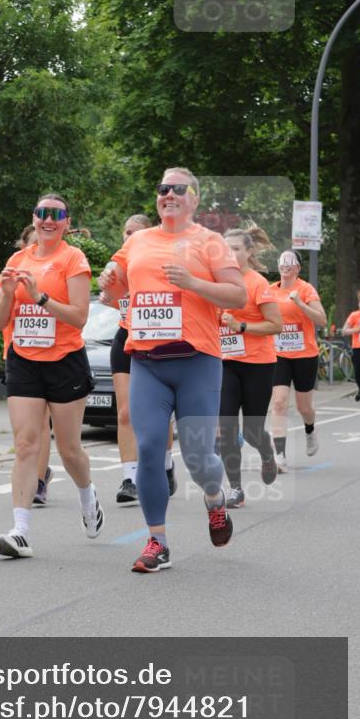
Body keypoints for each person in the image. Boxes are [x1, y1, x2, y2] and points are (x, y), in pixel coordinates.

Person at [99, 167, 246, 573]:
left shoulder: (211, 243)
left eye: (178, 188)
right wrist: (110, 282)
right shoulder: (139, 242)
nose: (168, 194)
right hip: (147, 361)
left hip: (197, 362)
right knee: (148, 449)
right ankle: (157, 541)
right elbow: (113, 293)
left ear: (195, 198)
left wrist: (194, 283)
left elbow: (238, 295)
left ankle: (214, 501)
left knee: (199, 458)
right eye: (163, 188)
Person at [0, 193, 103, 558]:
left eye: (56, 215)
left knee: (70, 450)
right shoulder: (16, 259)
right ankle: (21, 531)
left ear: (67, 222)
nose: (48, 220)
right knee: (26, 444)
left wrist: (39, 298)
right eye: (42, 214)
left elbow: (79, 317)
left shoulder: (73, 259)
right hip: (23, 358)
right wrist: (8, 296)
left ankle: (88, 496)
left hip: (64, 359)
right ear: (34, 219)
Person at [100, 214, 176, 505]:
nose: (129, 236)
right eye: (126, 231)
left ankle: (167, 463)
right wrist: (112, 292)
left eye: (135, 232)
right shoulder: (120, 263)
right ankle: (130, 478)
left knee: (161, 413)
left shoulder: (157, 260)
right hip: (125, 338)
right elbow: (109, 294)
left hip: (156, 343)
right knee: (125, 412)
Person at [0, 223, 55, 507]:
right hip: (17, 355)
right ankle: (35, 473)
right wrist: (7, 293)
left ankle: (38, 480)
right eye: (29, 243)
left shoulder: (56, 272)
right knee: (28, 430)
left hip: (53, 358)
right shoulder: (11, 273)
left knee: (42, 425)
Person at [217, 225, 282, 508]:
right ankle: (236, 490)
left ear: (249, 252)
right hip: (225, 364)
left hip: (258, 364)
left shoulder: (257, 283)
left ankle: (267, 454)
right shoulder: (215, 281)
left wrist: (240, 325)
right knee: (227, 429)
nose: (230, 254)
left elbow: (276, 325)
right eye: (225, 249)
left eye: (236, 249)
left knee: (253, 431)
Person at [270, 250, 327, 470]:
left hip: (305, 355)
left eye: (290, 262)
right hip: (279, 354)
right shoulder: (270, 290)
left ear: (297, 268)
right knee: (279, 402)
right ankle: (280, 456)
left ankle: (310, 429)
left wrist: (301, 304)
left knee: (305, 408)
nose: (285, 265)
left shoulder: (305, 289)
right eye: (282, 261)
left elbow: (321, 319)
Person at [341, 291, 360, 409]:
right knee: (357, 374)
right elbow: (344, 331)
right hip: (357, 348)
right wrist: (357, 329)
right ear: (359, 304)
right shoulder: (354, 315)